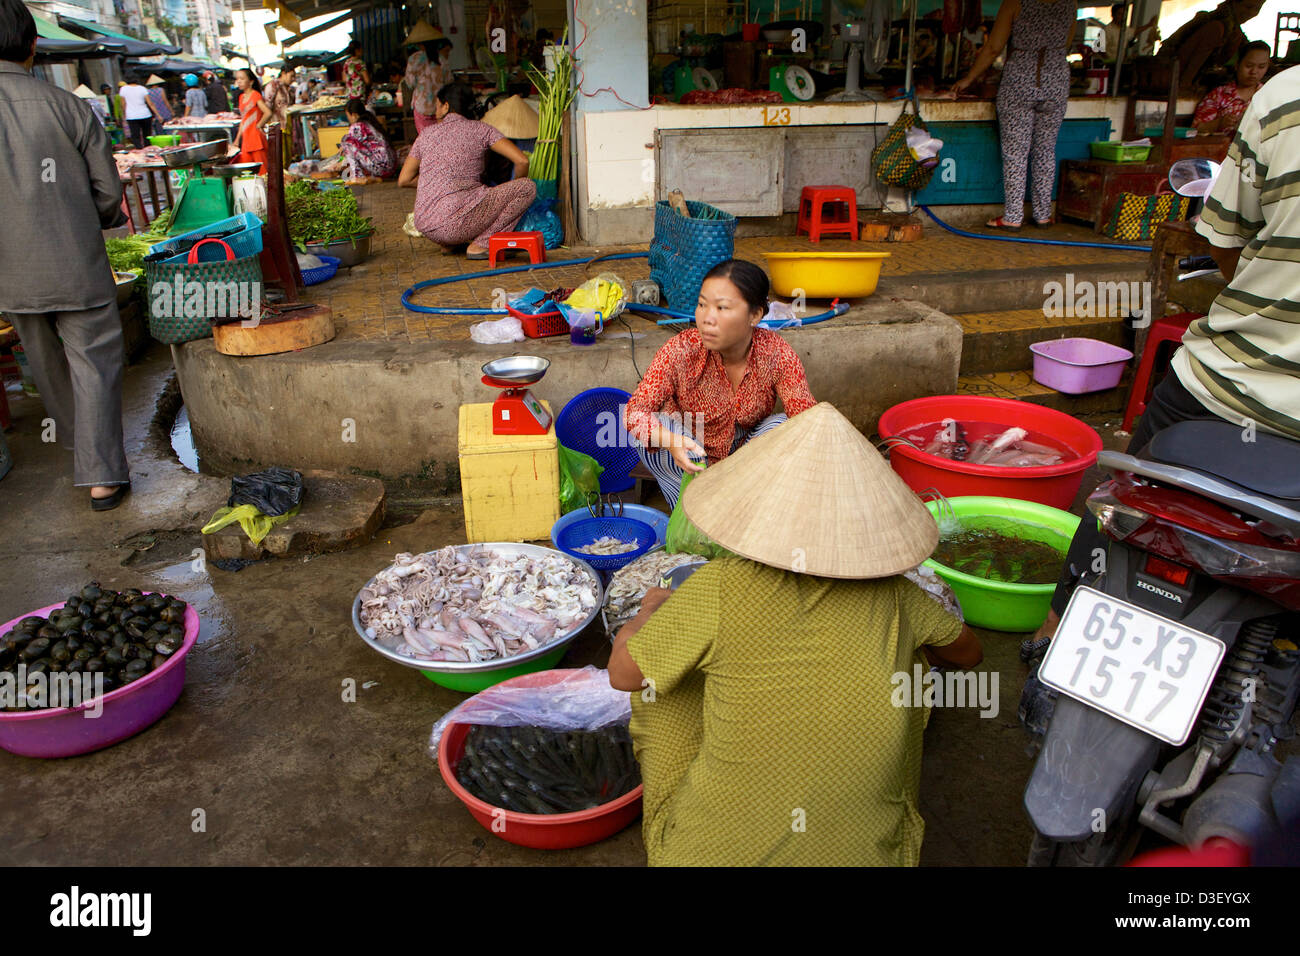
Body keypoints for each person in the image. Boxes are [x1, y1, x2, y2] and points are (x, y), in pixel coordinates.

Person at [607, 402, 983, 866]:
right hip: (875, 857)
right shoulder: (897, 596)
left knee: (658, 686)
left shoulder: (720, 586)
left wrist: (646, 614)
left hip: (704, 856)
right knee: (914, 667)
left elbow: (623, 675)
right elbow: (969, 655)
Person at [1029, 64, 1300, 652]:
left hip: (1223, 381)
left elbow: (1224, 245)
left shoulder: (1284, 96)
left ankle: (1053, 631)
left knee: (1118, 508)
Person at [0, 0, 132, 510]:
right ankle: (100, 475)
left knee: (46, 362)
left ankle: (82, 452)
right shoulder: (69, 107)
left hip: (12, 273)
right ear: (34, 45)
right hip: (75, 262)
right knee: (94, 362)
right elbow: (106, 191)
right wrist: (91, 220)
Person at [623, 259, 816, 510]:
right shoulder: (681, 349)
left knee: (783, 427)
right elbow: (634, 411)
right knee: (653, 432)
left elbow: (808, 420)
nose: (707, 318)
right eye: (702, 305)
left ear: (755, 315)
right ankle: (693, 512)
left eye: (722, 308)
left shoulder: (776, 354)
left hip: (743, 457)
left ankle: (744, 507)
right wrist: (670, 440)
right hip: (687, 452)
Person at [951, 0, 1077, 229]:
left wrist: (969, 79)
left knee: (1015, 153)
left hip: (1020, 79)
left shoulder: (1015, 2)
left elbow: (993, 48)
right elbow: (1067, 42)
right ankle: (1043, 215)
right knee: (1046, 151)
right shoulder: (1070, 2)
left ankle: (1012, 216)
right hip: (1056, 79)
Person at [398, 82, 535, 259]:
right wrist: (514, 185)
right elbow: (522, 161)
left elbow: (404, 180)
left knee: (465, 202)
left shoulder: (426, 134)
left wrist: (436, 181)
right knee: (527, 187)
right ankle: (482, 244)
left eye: (438, 106)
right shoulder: (482, 129)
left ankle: (449, 244)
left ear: (446, 106)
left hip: (425, 224)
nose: (435, 112)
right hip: (456, 221)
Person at [1158, 0, 1264, 92]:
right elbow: (1193, 63)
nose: (1251, 12)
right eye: (1248, 7)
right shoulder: (1216, 26)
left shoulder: (1235, 30)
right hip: (1169, 77)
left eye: (1257, 9)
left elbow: (1251, 51)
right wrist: (1185, 87)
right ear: (1233, 2)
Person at [1193, 40, 1271, 135]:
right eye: (1249, 66)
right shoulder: (1219, 95)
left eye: (1261, 67)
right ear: (1237, 65)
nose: (1254, 71)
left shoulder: (1269, 96)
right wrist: (1218, 123)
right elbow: (1195, 128)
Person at [401, 21, 451, 134]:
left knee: (426, 140)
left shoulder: (414, 59)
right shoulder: (442, 59)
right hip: (440, 107)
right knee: (441, 139)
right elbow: (449, 82)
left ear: (420, 44)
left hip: (421, 107)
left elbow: (410, 83)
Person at [328, 97, 396, 180]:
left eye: (348, 116)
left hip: (381, 169)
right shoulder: (370, 123)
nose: (348, 119)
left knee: (346, 141)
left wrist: (340, 163)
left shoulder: (357, 127)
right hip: (391, 168)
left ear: (353, 115)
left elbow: (351, 149)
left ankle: (357, 176)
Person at [231, 68, 271, 173]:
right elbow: (243, 120)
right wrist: (237, 140)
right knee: (246, 172)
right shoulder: (241, 97)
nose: (239, 81)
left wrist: (259, 125)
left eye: (242, 78)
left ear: (251, 81)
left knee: (263, 172)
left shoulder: (255, 95)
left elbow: (268, 112)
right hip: (246, 141)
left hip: (257, 139)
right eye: (237, 79)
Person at [118, 76, 159, 148]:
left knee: (135, 135)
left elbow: (123, 104)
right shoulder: (142, 88)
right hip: (145, 114)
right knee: (147, 135)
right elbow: (150, 103)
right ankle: (148, 149)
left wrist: (124, 114)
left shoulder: (123, 89)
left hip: (131, 116)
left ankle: (139, 150)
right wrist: (158, 114)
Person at [263, 65, 295, 130]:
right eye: (291, 76)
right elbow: (267, 106)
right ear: (283, 74)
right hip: (277, 127)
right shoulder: (273, 86)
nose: (293, 79)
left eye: (294, 77)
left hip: (289, 127)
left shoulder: (291, 90)